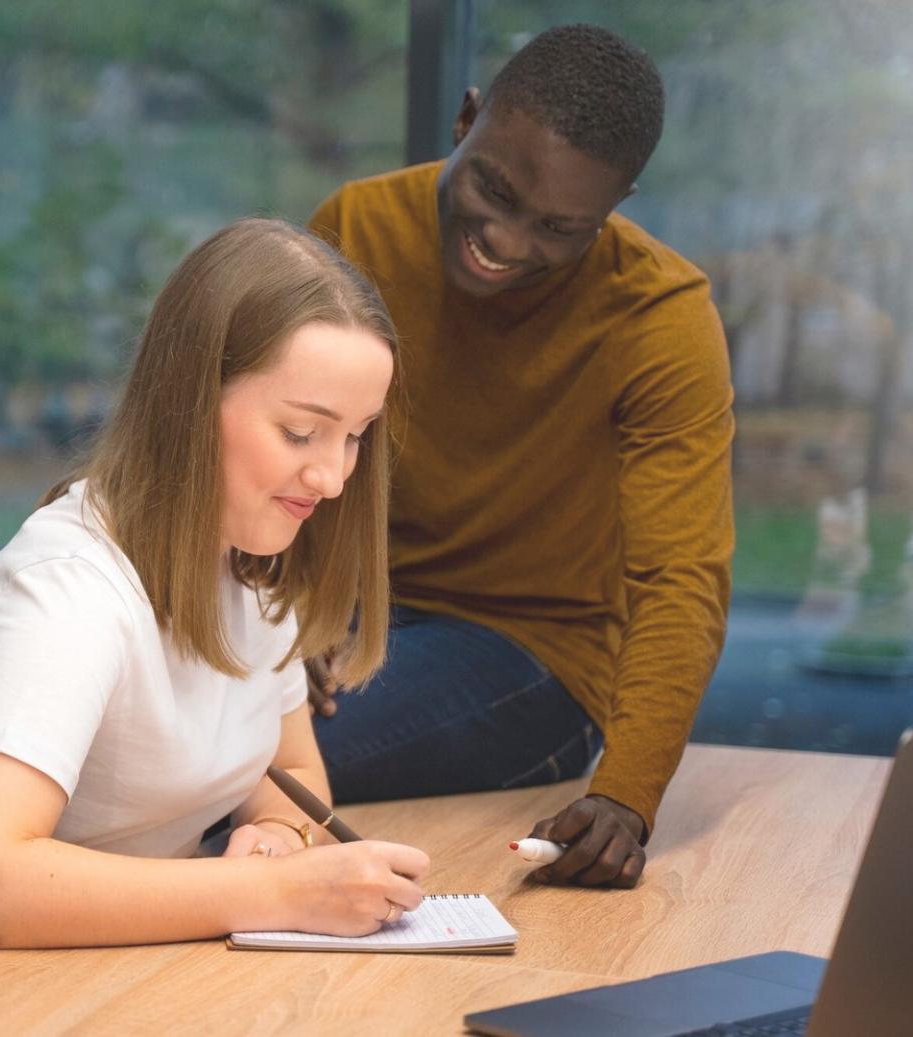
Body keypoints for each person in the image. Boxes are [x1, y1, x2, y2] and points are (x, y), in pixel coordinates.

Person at [0, 218, 429, 969]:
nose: (334, 478)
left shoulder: (251, 560)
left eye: (356, 436)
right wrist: (274, 891)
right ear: (190, 403)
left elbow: (294, 774)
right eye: (301, 432)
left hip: (130, 958)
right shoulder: (69, 589)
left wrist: (279, 840)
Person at [306, 23, 735, 889]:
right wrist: (293, 612)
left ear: (616, 203)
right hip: (351, 610)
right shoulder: (357, 226)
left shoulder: (660, 318)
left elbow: (680, 579)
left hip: (530, 652)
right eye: (494, 190)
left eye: (558, 228)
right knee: (155, 721)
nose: (504, 240)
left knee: (253, 752)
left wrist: (625, 794)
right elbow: (266, 446)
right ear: (467, 120)